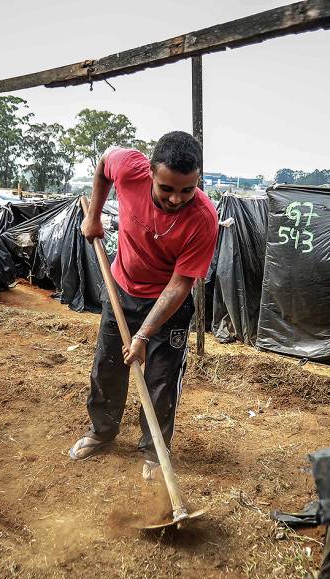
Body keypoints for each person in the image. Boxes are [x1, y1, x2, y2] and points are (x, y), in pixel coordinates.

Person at [69, 131, 218, 480]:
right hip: (122, 288)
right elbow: (106, 161)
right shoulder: (130, 169)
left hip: (169, 304)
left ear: (198, 180)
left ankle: (154, 451)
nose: (176, 199)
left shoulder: (203, 219)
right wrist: (93, 216)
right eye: (167, 189)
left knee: (161, 381)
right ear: (149, 172)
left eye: (187, 189)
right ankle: (101, 432)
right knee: (108, 366)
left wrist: (144, 335)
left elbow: (181, 284)